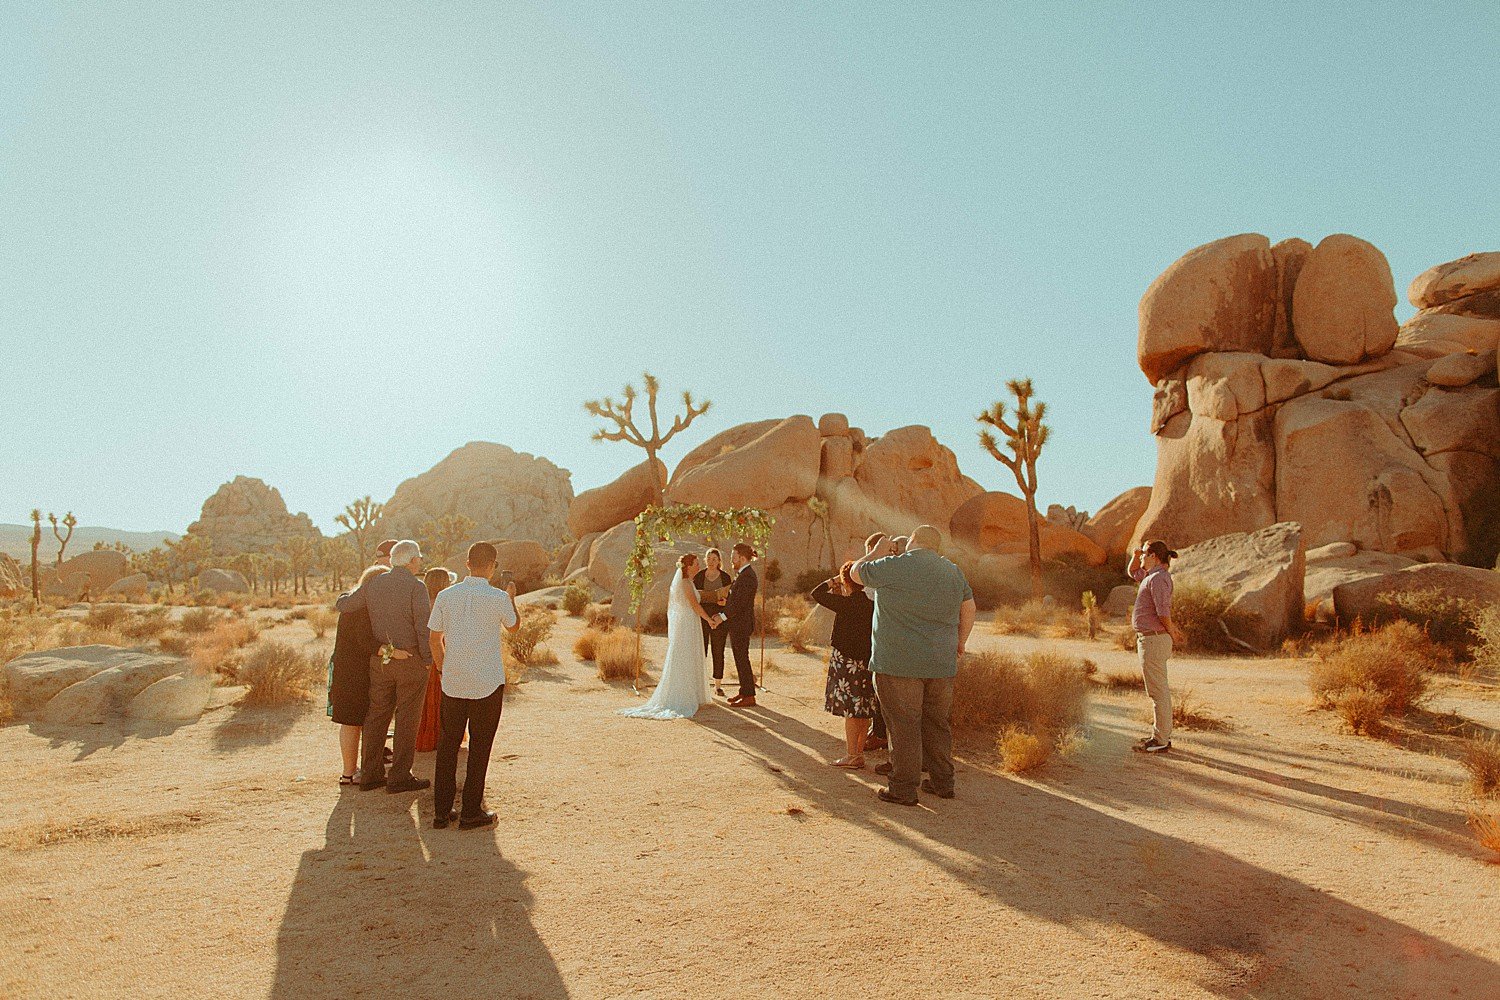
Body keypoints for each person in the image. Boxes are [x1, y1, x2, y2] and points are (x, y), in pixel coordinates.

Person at [851, 524, 976, 806]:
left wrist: (877, 550)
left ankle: (903, 788)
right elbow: (969, 607)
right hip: (941, 663)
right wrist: (960, 642)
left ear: (913, 540)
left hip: (898, 663)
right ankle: (943, 783)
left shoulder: (894, 565)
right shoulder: (952, 571)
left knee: (904, 725)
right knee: (937, 723)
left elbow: (855, 574)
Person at [428, 542, 520, 829]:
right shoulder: (497, 597)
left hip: (453, 681)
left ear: (467, 563)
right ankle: (470, 811)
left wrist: (442, 669)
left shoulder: (445, 595)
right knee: (480, 747)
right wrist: (511, 597)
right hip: (487, 682)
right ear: (493, 565)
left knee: (448, 745)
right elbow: (514, 626)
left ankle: (441, 812)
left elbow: (434, 638)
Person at [336, 539, 433, 793]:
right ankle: (399, 776)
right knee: (407, 718)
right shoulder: (416, 586)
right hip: (410, 660)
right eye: (419, 558)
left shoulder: (373, 584)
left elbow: (345, 606)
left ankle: (370, 774)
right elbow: (423, 627)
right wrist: (427, 660)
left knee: (376, 716)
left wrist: (344, 595)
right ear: (411, 560)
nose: (420, 562)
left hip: (380, 662)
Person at [619, 553, 719, 720]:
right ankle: (682, 696)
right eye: (696, 563)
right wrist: (709, 620)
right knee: (684, 657)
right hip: (687, 623)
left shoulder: (689, 582)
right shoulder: (686, 583)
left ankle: (694, 694)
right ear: (688, 567)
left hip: (691, 622)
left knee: (690, 656)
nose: (699, 566)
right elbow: (694, 605)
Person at [328, 563, 388, 785]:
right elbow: (365, 642)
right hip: (355, 673)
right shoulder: (361, 608)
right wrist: (391, 651)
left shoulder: (352, 601)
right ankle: (349, 773)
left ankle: (350, 772)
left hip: (346, 670)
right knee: (354, 721)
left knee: (351, 721)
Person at [811, 561, 876, 768]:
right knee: (863, 709)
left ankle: (851, 754)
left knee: (850, 710)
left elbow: (817, 593)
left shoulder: (845, 603)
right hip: (866, 661)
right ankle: (858, 754)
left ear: (847, 582)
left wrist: (834, 580)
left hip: (846, 662)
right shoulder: (871, 605)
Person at [1128, 539, 1184, 754]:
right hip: (1151, 639)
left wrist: (1172, 632)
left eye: (1144, 553)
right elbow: (1133, 571)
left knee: (1158, 692)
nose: (1141, 556)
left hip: (1154, 639)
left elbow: (1163, 612)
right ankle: (1159, 736)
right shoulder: (1150, 576)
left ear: (1153, 556)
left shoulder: (1158, 579)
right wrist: (1135, 554)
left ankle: (1161, 739)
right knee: (1157, 690)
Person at [862, 533, 899, 752]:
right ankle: (877, 731)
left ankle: (879, 734)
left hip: (880, 637)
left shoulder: (880, 571)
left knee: (881, 690)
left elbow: (868, 595)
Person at [416, 568, 457, 753]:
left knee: (425, 698)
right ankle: (439, 736)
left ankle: (424, 736)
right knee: (442, 696)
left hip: (422, 654)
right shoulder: (445, 603)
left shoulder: (422, 603)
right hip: (442, 650)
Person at [720, 543, 760, 707]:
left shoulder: (748, 576)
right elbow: (736, 599)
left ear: (742, 558)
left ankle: (749, 695)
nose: (731, 559)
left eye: (733, 556)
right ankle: (744, 691)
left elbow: (740, 603)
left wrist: (722, 616)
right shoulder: (743, 574)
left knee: (742, 658)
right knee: (740, 658)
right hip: (738, 623)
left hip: (741, 624)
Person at [694, 548, 732, 695]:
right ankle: (701, 685)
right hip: (702, 618)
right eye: (709, 558)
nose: (711, 562)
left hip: (719, 619)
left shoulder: (725, 577)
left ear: (719, 561)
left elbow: (730, 600)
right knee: (701, 651)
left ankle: (717, 686)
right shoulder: (698, 577)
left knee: (718, 651)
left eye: (714, 559)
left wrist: (724, 603)